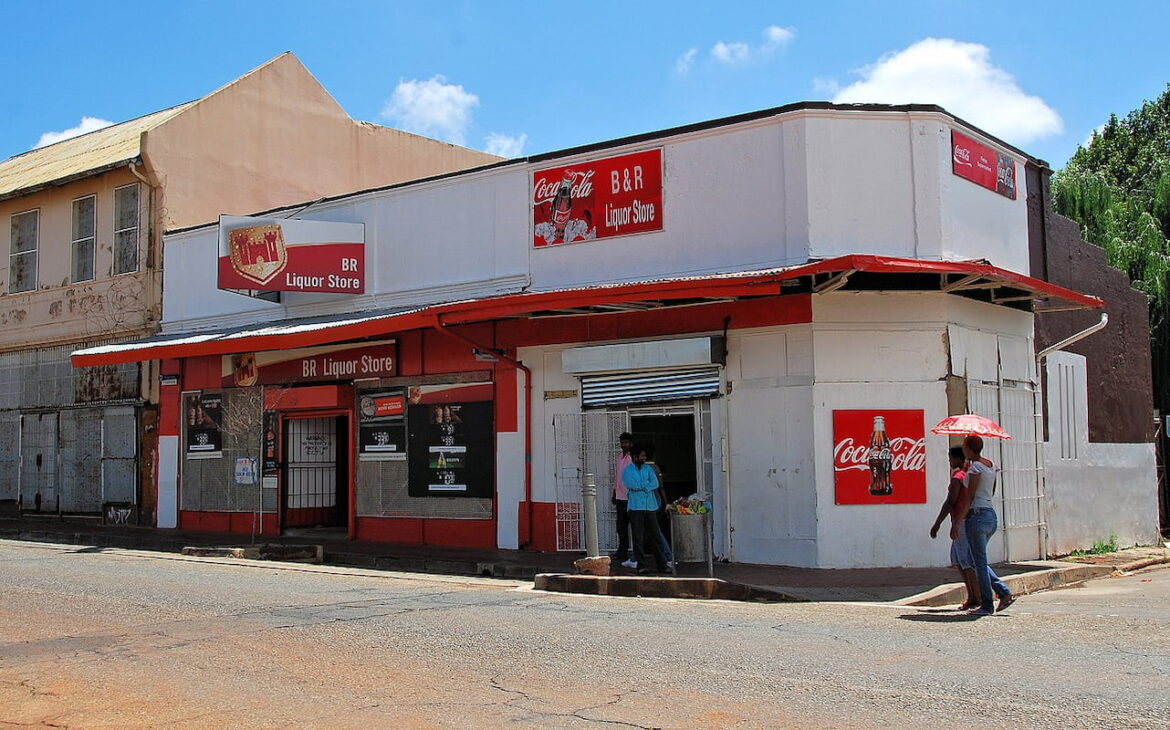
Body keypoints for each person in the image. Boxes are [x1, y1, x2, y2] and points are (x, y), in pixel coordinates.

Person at [952, 435, 1016, 616]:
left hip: (977, 516)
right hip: (990, 515)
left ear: (970, 448)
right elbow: (991, 491)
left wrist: (957, 522)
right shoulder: (990, 466)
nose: (963, 449)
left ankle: (988, 604)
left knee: (978, 562)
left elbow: (969, 497)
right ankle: (1002, 591)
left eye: (964, 446)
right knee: (975, 560)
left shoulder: (976, 468)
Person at [930, 446, 982, 609]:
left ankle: (975, 597)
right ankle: (972, 594)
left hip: (960, 521)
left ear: (958, 458)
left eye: (951, 457)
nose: (949, 461)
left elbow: (950, 501)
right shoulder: (968, 474)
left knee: (965, 561)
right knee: (958, 559)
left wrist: (937, 523)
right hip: (964, 519)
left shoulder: (958, 477)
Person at [622, 443, 669, 574]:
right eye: (642, 455)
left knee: (656, 537)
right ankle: (641, 566)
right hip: (636, 507)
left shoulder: (648, 469)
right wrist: (645, 486)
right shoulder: (627, 471)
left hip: (650, 506)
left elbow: (654, 483)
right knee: (638, 538)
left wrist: (643, 487)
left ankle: (662, 565)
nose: (644, 457)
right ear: (635, 457)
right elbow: (631, 485)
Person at [643, 444, 674, 568]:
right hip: (656, 501)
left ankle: (667, 555)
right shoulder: (656, 468)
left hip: (649, 502)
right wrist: (665, 502)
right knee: (649, 529)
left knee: (653, 530)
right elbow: (661, 487)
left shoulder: (644, 468)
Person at [611, 432, 634, 567]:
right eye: (622, 442)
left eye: (626, 442)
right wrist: (614, 492)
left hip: (631, 497)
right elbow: (617, 476)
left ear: (631, 444)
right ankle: (622, 551)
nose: (623, 445)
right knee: (621, 526)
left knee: (635, 526)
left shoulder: (632, 458)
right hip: (619, 496)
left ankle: (636, 552)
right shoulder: (619, 458)